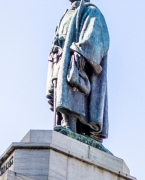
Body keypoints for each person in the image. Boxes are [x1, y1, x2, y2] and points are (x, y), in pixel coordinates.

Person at [47, 0, 110, 142]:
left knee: (72, 87)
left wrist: (82, 52)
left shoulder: (91, 11)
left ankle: (71, 126)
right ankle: (66, 124)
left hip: (75, 57)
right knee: (60, 89)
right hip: (60, 58)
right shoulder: (66, 14)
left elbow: (96, 34)